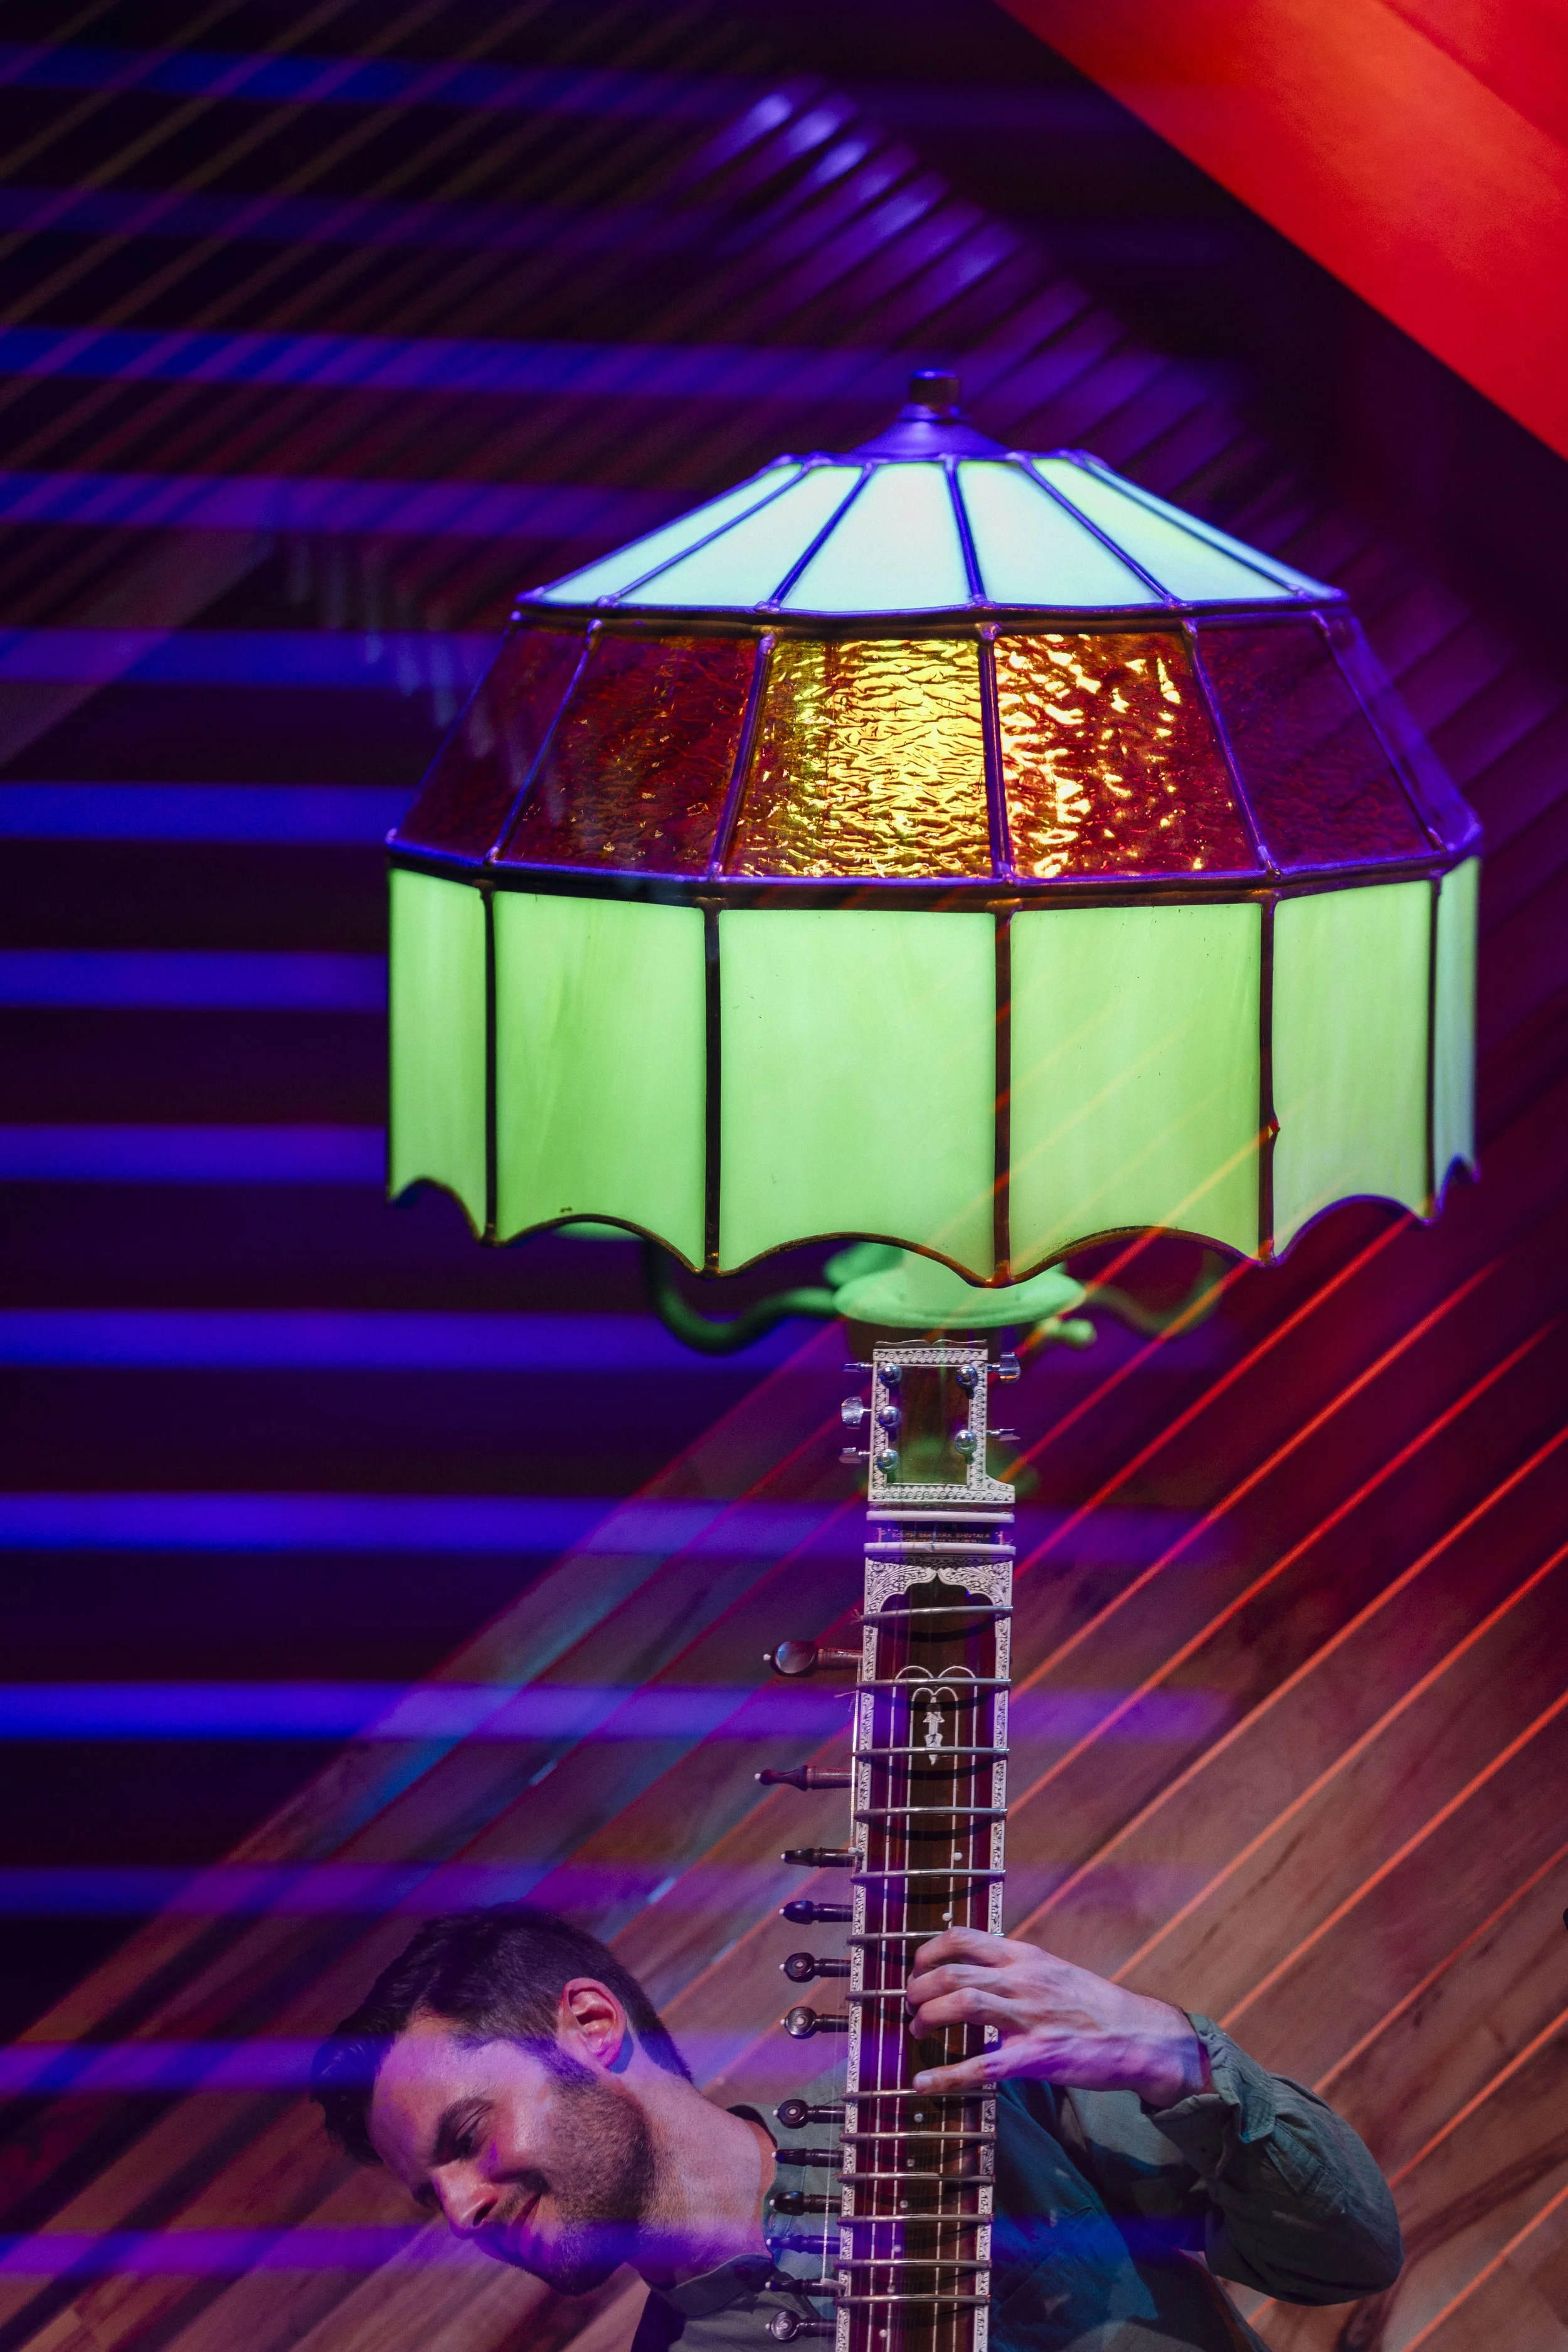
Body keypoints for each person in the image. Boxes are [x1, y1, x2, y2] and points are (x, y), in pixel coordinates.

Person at [312, 1904, 1401, 2352]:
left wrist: (1166, 2050)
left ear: (590, 2027)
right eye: (429, 2196)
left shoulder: (956, 2095)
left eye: (464, 2137)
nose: (459, 2210)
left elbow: (1347, 2255)